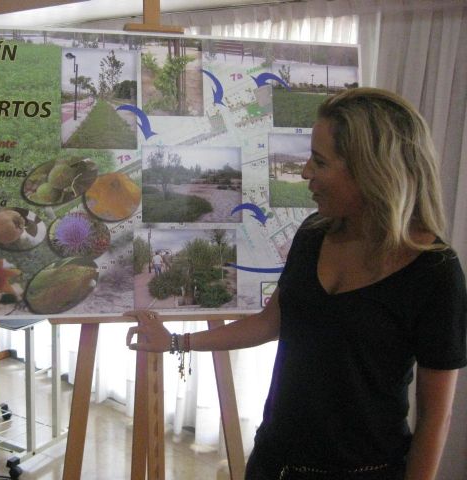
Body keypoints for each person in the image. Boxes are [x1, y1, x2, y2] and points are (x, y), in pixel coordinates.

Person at [125, 88, 466, 480]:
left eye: (319, 161)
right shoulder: (314, 233)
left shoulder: (434, 272)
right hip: (275, 463)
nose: (305, 172)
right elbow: (271, 322)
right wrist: (175, 341)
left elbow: (435, 418)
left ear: (372, 170)